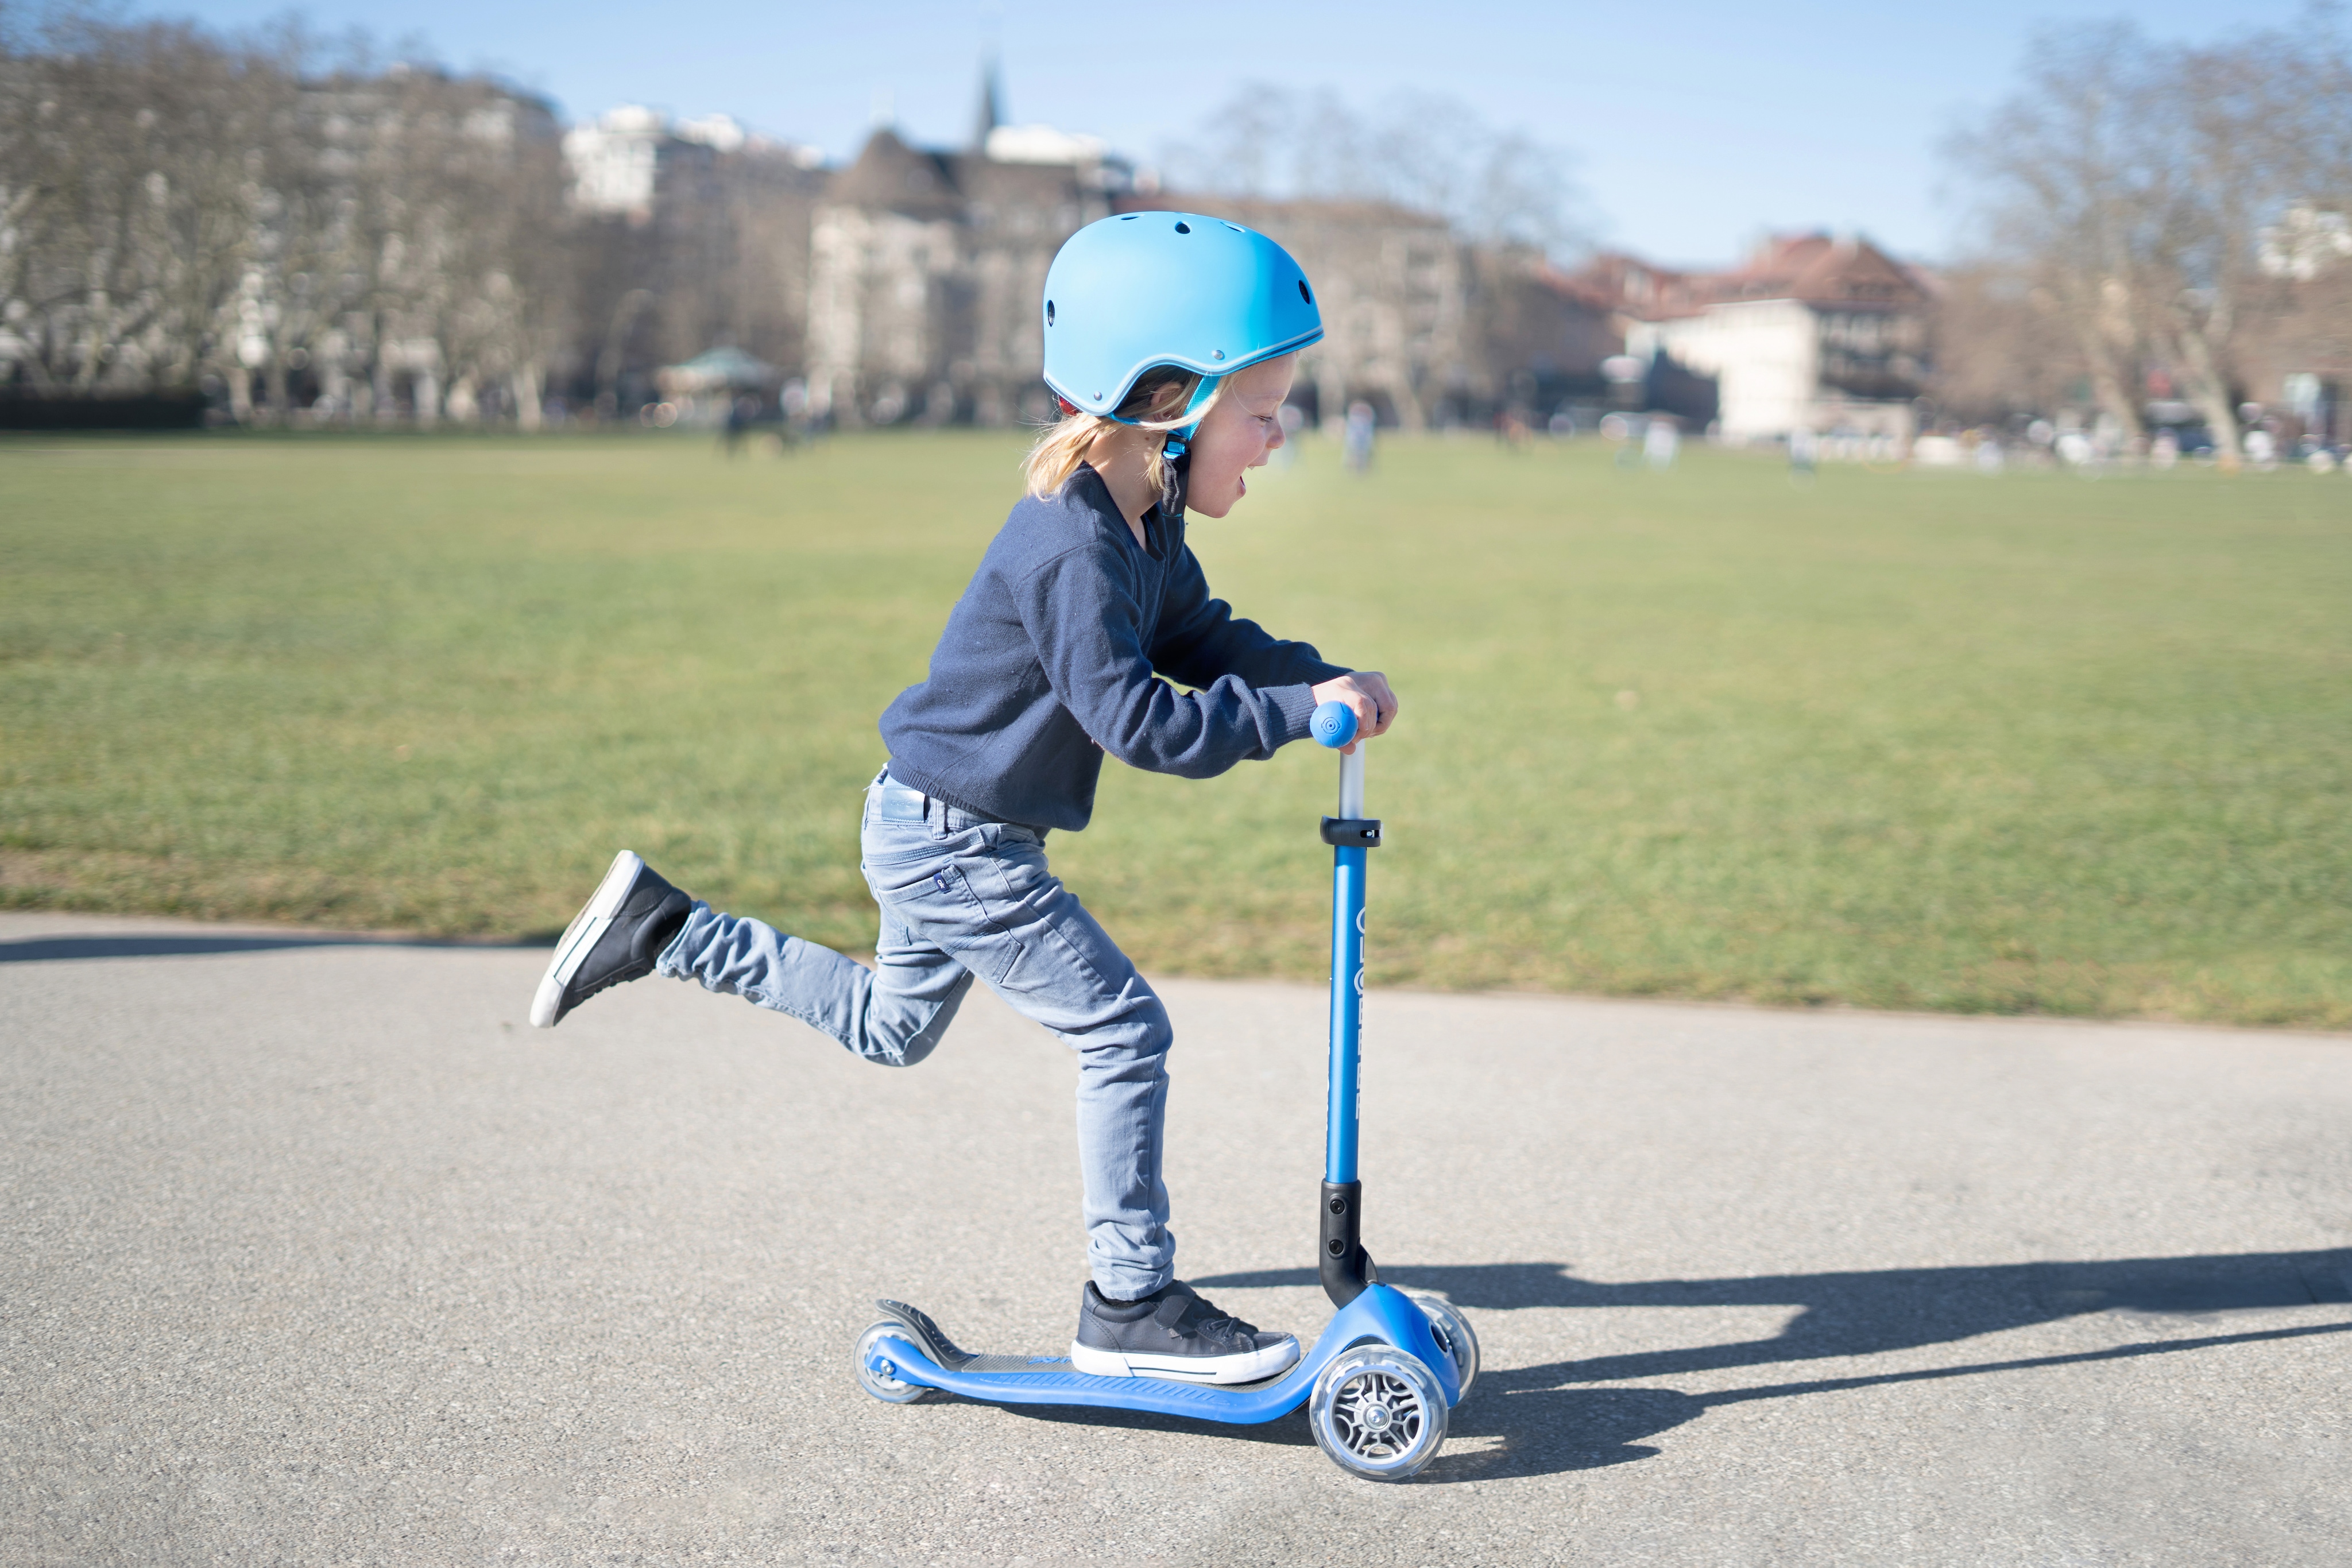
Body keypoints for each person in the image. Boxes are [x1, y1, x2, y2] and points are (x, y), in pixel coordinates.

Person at [526, 213, 1397, 1386]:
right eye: (1261, 409)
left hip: (933, 819)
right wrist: (1294, 720)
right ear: (1164, 402)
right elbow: (1135, 718)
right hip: (954, 842)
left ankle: (663, 927)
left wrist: (1311, 677)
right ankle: (1126, 1300)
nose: (1279, 434)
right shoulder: (1070, 546)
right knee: (1123, 1030)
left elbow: (1197, 634)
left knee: (891, 1027)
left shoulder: (1139, 519)